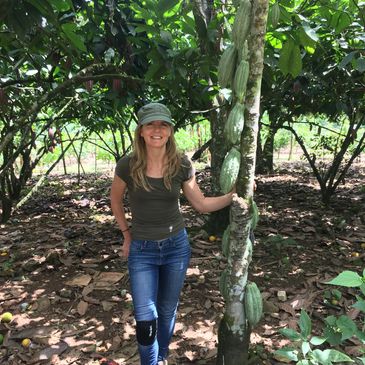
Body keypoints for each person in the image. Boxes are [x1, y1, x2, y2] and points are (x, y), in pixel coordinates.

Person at [110, 102, 234, 365]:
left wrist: (234, 196)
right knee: (145, 317)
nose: (157, 129)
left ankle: (162, 355)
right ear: (141, 131)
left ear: (170, 130)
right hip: (142, 250)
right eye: (151, 124)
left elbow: (200, 204)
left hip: (176, 247)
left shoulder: (181, 164)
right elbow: (116, 201)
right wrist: (126, 234)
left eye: (163, 124)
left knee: (167, 309)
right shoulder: (127, 165)